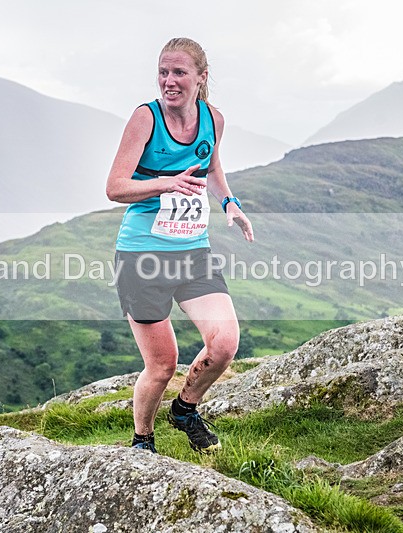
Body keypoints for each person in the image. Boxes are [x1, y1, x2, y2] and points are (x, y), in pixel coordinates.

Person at [106, 37, 253, 454]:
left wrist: (230, 204)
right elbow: (115, 187)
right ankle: (142, 441)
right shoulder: (145, 119)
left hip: (192, 250)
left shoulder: (213, 120)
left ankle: (185, 410)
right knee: (162, 364)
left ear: (201, 77)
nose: (169, 81)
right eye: (163, 72)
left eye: (179, 73)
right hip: (142, 255)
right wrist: (165, 183)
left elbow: (212, 169)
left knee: (224, 343)